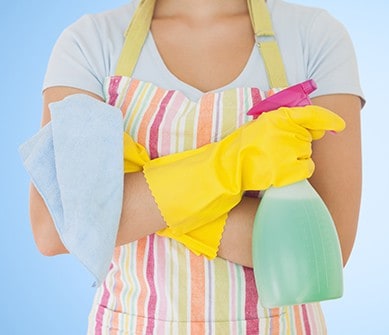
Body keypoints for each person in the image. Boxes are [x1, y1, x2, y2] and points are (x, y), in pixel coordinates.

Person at [27, 0, 363, 333]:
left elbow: (321, 251)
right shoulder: (90, 43)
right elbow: (54, 229)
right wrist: (229, 165)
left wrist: (133, 197)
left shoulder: (315, 37)